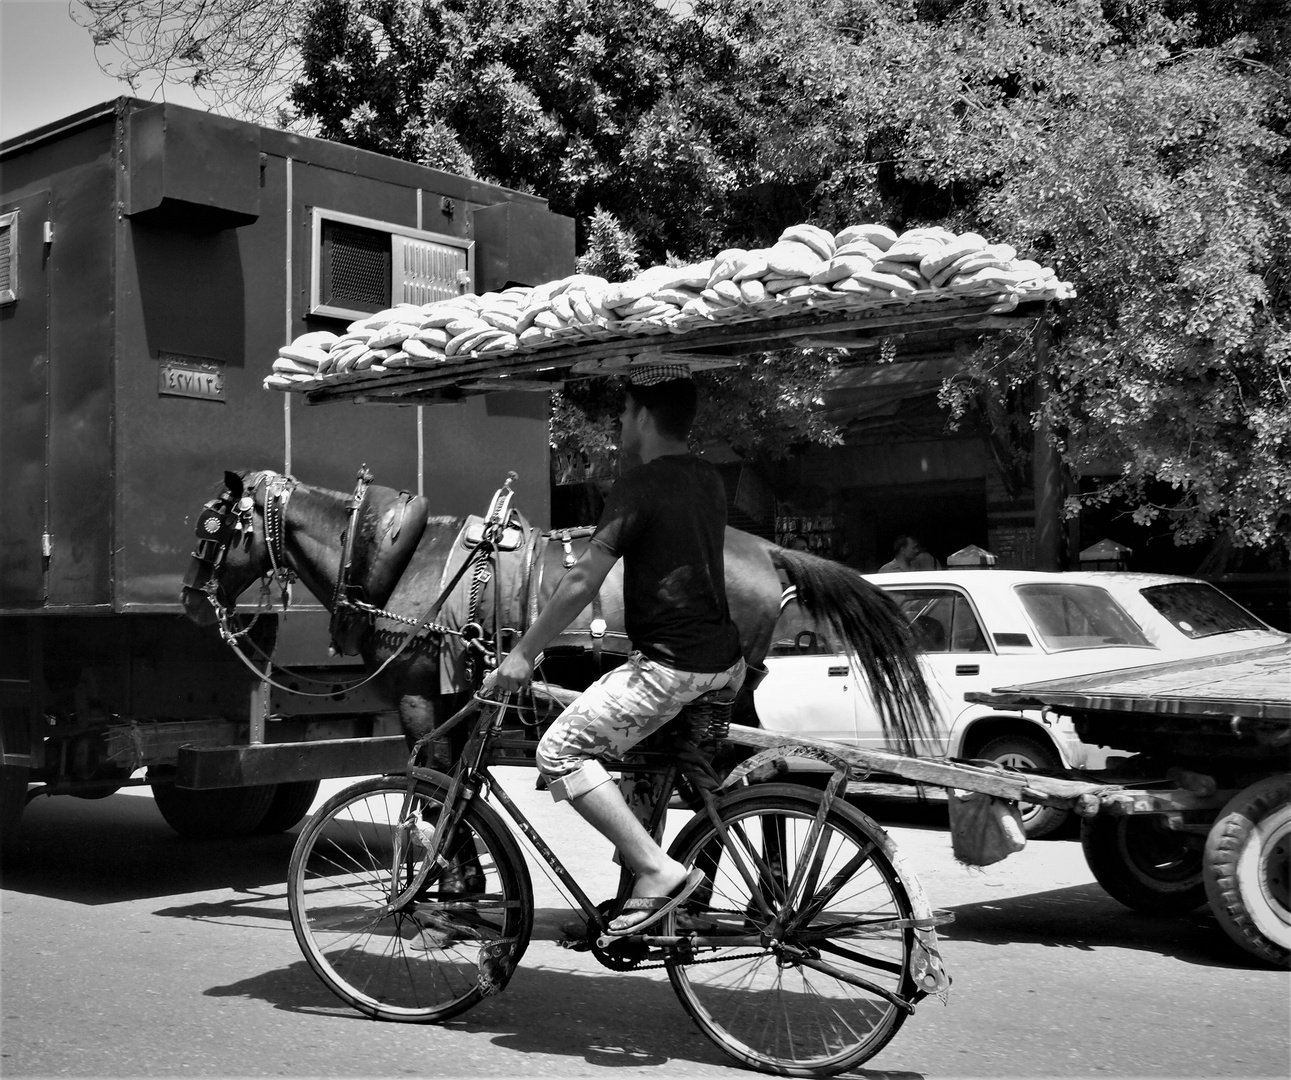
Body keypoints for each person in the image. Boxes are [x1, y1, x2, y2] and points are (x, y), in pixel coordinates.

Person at [486, 365, 745, 936]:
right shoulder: (709, 477)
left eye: (625, 412)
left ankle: (655, 871)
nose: (621, 423)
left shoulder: (639, 486)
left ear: (645, 416)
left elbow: (580, 582)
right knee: (634, 754)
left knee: (559, 753)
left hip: (671, 669)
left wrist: (523, 654)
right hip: (725, 663)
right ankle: (635, 901)